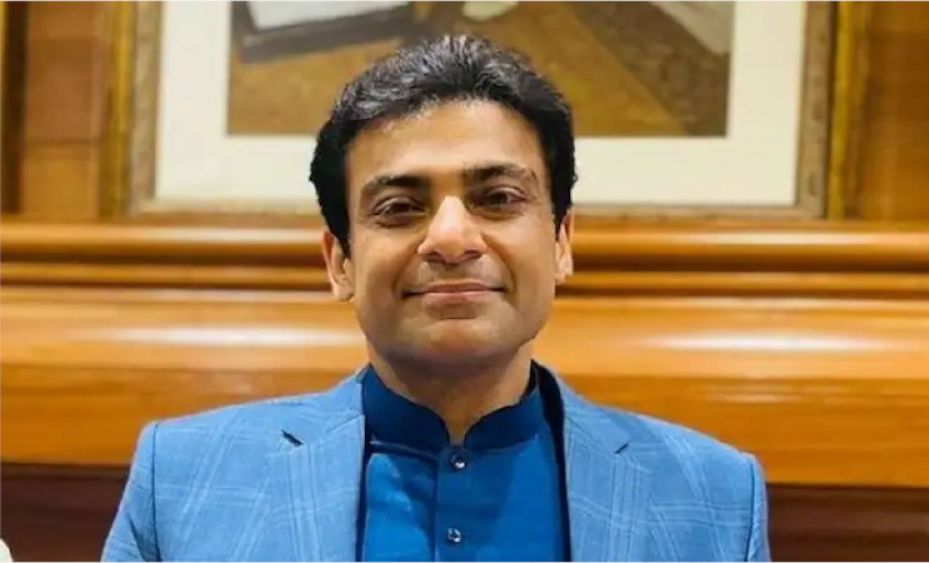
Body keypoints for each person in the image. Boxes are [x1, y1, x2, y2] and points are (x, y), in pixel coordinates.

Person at [103, 35, 769, 562]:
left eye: (498, 198)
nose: (451, 237)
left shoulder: (713, 498)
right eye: (399, 207)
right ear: (339, 261)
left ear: (561, 242)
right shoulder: (183, 481)